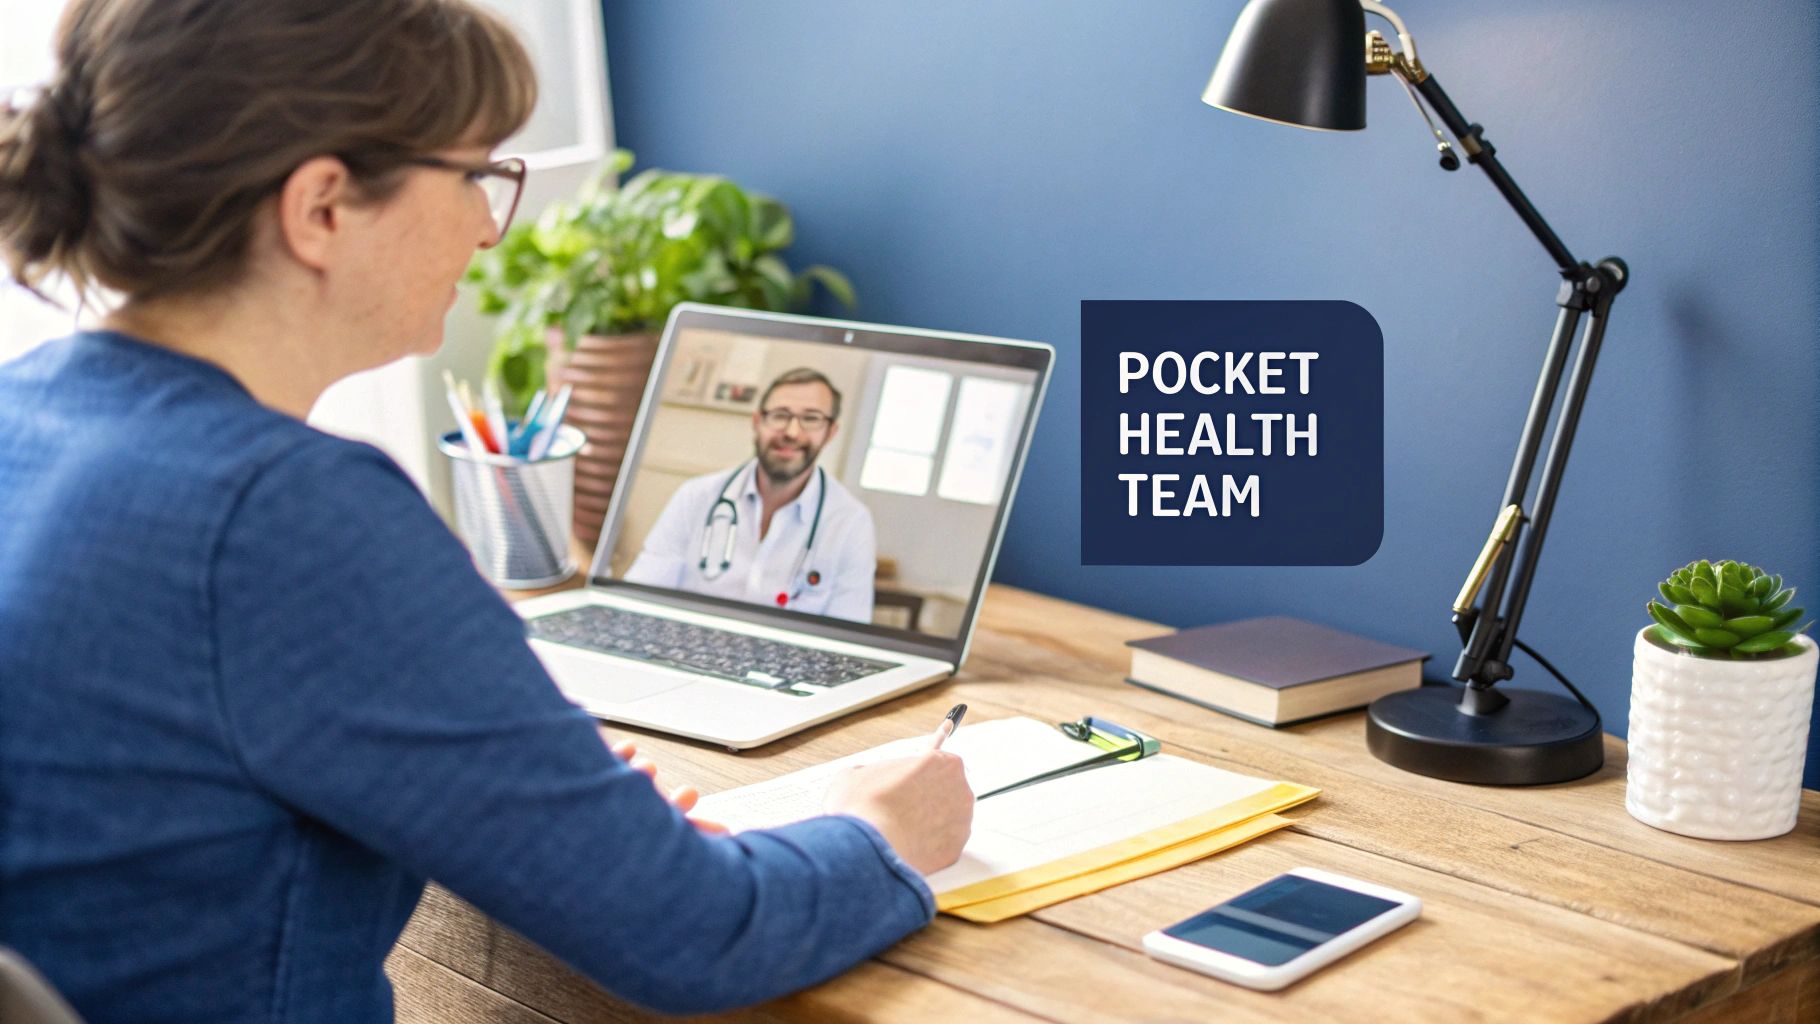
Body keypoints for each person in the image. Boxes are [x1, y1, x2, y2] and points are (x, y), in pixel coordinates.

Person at [0, 2, 973, 1022]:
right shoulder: (286, 513)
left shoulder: (27, 415)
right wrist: (875, 828)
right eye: (473, 172)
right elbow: (695, 932)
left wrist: (527, 795)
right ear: (322, 206)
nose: (485, 221)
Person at [624, 368, 878, 621]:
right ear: (757, 422)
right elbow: (639, 598)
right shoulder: (695, 497)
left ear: (830, 432)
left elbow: (847, 634)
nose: (792, 432)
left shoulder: (851, 522)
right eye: (780, 415)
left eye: (811, 419)